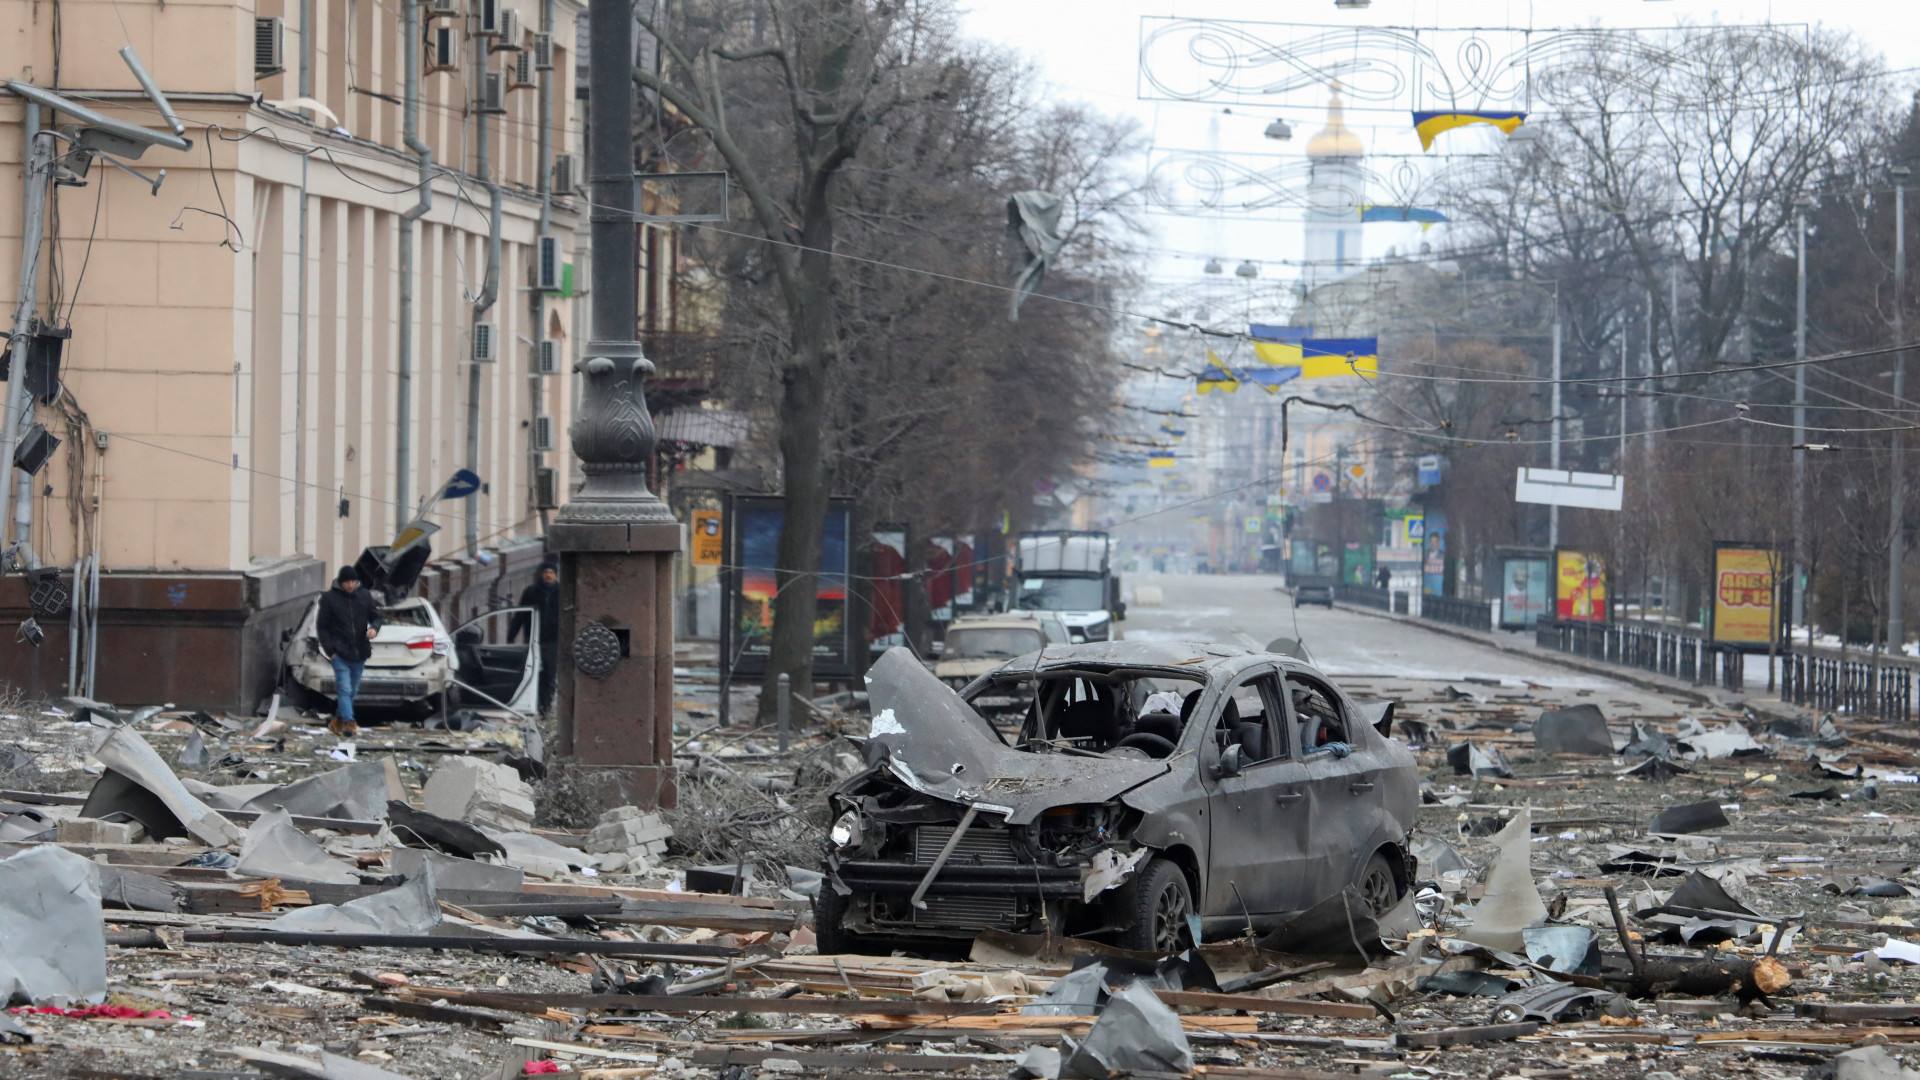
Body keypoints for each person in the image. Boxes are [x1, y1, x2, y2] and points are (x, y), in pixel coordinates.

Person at [316, 565, 381, 736]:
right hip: (340, 653)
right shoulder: (330, 599)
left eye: (353, 581)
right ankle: (349, 722)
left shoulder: (364, 596)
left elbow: (376, 616)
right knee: (344, 689)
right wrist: (331, 651)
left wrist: (374, 629)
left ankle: (337, 721)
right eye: (347, 582)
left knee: (352, 690)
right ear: (341, 582)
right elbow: (322, 627)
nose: (351, 585)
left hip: (359, 652)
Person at [513, 559, 561, 713]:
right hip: (533, 639)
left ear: (556, 575)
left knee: (549, 675)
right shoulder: (531, 592)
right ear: (541, 574)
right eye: (546, 572)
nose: (548, 575)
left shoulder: (562, 592)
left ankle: (545, 708)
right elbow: (520, 616)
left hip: (552, 641)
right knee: (532, 673)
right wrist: (511, 635)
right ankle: (533, 705)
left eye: (551, 573)